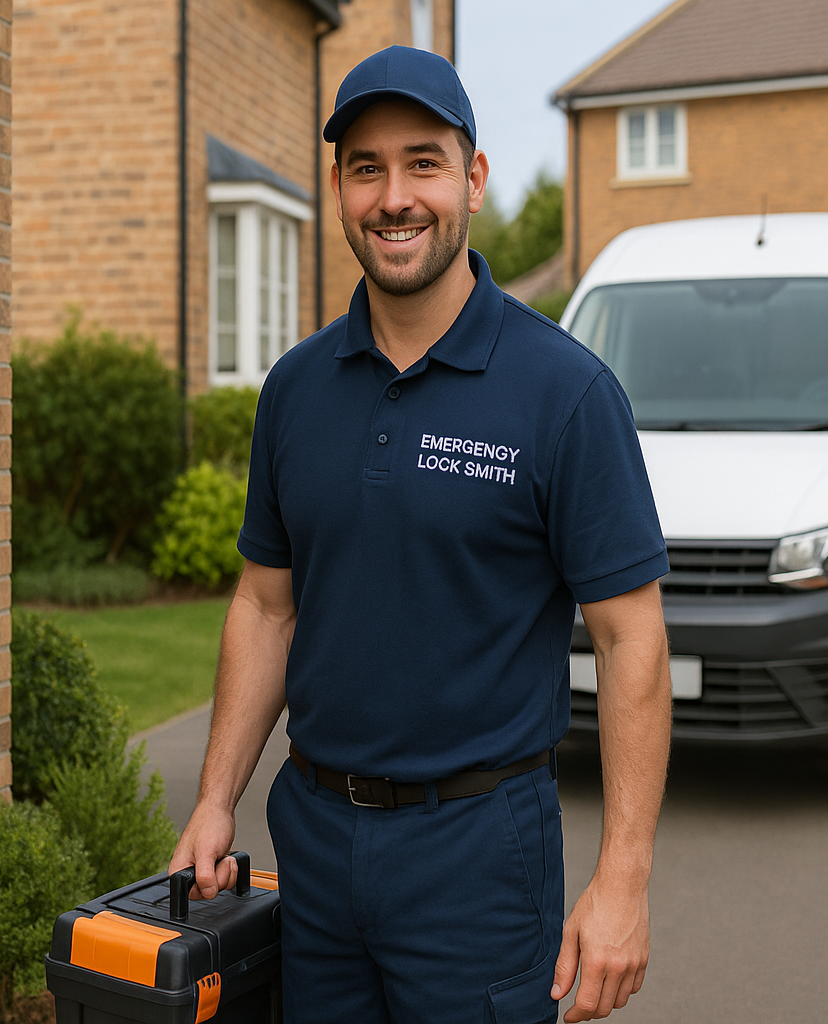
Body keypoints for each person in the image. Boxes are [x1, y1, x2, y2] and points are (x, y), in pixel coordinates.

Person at [168, 45, 672, 1024]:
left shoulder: (564, 393)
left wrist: (625, 878)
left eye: (423, 162)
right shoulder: (296, 389)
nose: (395, 196)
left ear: (473, 178)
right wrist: (218, 795)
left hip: (479, 851)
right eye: (367, 167)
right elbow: (267, 607)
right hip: (313, 843)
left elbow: (631, 639)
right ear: (340, 188)